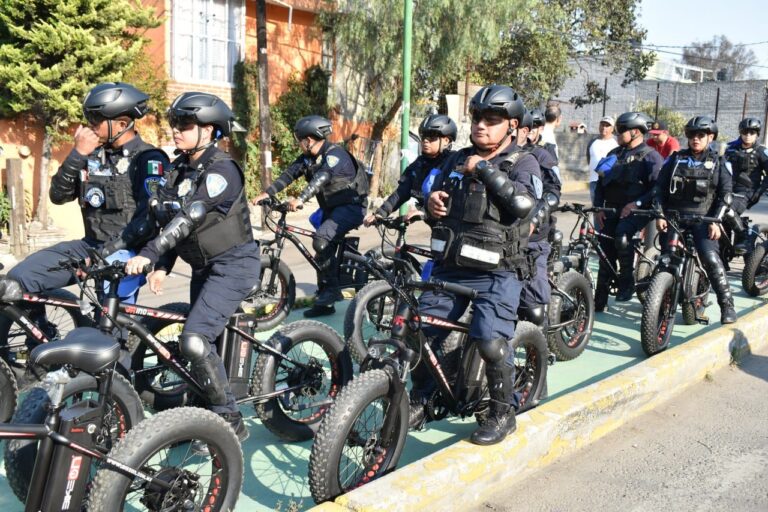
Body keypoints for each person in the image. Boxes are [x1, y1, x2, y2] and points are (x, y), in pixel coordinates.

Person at [125, 92, 258, 442]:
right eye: (175, 124)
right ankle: (204, 414)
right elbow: (167, 218)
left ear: (211, 130)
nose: (176, 131)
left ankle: (229, 421)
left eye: (185, 125)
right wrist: (162, 265)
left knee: (195, 341)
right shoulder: (179, 169)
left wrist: (151, 254)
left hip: (234, 266)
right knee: (203, 342)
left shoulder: (223, 170)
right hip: (203, 268)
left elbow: (189, 217)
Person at [416, 85, 538, 446]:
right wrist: (432, 204)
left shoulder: (523, 162)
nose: (481, 126)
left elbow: (522, 206)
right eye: (477, 118)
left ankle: (503, 412)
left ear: (512, 125)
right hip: (451, 266)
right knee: (422, 332)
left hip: (498, 272)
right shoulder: (455, 159)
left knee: (489, 340)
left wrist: (484, 169)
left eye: (492, 120)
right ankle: (423, 398)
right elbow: (435, 198)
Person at [3, 82, 169, 343]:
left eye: (96, 119)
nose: (89, 125)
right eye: (88, 117)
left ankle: (120, 376)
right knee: (20, 278)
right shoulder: (91, 155)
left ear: (122, 122)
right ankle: (41, 341)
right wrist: (77, 153)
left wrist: (103, 256)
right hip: (90, 246)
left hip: (127, 252)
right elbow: (58, 196)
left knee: (109, 330)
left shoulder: (148, 159)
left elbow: (147, 223)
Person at [253, 115, 368, 317]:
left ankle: (332, 291)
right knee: (322, 252)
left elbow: (321, 178)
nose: (298, 143)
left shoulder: (335, 155)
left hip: (351, 207)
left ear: (309, 139)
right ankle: (325, 302)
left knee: (321, 240)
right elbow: (288, 175)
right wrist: (268, 193)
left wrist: (301, 199)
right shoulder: (307, 159)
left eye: (300, 139)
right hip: (333, 209)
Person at [654, 116, 736, 325]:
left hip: (704, 219)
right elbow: (659, 189)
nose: (696, 139)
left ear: (710, 137)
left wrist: (715, 221)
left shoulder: (719, 162)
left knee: (710, 257)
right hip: (675, 218)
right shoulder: (674, 159)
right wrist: (659, 213)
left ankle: (727, 305)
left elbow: (726, 195)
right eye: (692, 135)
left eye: (701, 135)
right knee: (665, 260)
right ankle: (657, 302)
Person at [593, 112, 664, 310]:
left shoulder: (651, 157)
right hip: (611, 209)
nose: (617, 133)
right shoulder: (613, 154)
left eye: (621, 130)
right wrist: (599, 206)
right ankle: (600, 299)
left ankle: (626, 282)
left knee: (622, 237)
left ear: (634, 132)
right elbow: (600, 182)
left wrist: (636, 204)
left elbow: (657, 188)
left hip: (637, 212)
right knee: (604, 248)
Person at [363, 114, 456, 225]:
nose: (425, 141)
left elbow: (452, 197)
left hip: (454, 226)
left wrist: (424, 211)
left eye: (431, 137)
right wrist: (380, 214)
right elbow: (401, 193)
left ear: (446, 140)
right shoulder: (418, 165)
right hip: (435, 227)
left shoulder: (453, 163)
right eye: (423, 136)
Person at [517, 110, 561, 328]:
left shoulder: (542, 155)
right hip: (503, 235)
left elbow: (554, 192)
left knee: (533, 306)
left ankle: (539, 350)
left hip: (533, 235)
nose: (527, 131)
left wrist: (536, 217)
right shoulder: (499, 154)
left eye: (533, 127)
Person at [723, 117, 768, 254]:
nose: (748, 135)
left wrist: (758, 192)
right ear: (741, 132)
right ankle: (723, 249)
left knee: (728, 210)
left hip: (747, 192)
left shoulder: (761, 151)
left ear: (757, 134)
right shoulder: (730, 149)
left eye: (752, 132)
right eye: (745, 132)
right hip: (727, 189)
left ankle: (743, 236)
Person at [586, 116, 619, 204]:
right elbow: (589, 158)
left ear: (612, 128)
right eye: (602, 125)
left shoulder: (616, 142)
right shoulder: (593, 142)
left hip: (610, 183)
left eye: (607, 126)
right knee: (596, 209)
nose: (604, 128)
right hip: (594, 181)